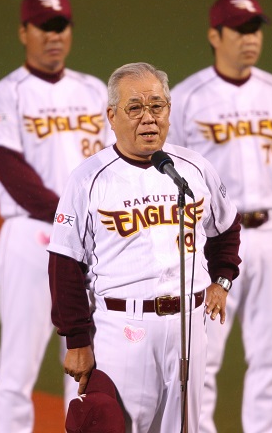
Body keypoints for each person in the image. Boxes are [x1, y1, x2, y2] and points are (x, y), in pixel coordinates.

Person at [48, 62, 242, 432]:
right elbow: (64, 265)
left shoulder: (194, 168)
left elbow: (227, 225)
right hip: (123, 330)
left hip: (189, 326)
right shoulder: (89, 179)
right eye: (135, 108)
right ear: (111, 116)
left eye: (158, 106)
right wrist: (76, 340)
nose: (148, 118)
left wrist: (222, 279)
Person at [0, 0, 110, 432]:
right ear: (24, 32)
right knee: (19, 363)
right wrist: (73, 216)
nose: (54, 36)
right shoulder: (6, 95)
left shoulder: (95, 90)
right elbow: (12, 173)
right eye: (44, 27)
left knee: (88, 362)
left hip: (93, 242)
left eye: (61, 27)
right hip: (32, 240)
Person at [168, 0, 272, 433]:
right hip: (212, 241)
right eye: (240, 30)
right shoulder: (185, 97)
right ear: (214, 35)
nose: (250, 39)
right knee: (206, 355)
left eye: (255, 29)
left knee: (269, 355)